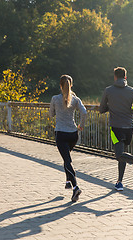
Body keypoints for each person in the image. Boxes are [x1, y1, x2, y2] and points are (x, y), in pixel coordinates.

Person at [99, 67, 133, 191]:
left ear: (115, 77)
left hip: (116, 127)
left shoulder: (108, 91)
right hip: (129, 127)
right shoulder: (132, 91)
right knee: (123, 154)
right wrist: (131, 110)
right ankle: (119, 182)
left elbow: (101, 109)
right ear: (125, 77)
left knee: (119, 155)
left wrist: (111, 106)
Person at [50, 74, 87, 202]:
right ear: (71, 85)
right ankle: (68, 181)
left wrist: (56, 111)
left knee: (67, 161)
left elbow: (51, 114)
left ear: (60, 85)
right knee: (67, 159)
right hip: (73, 134)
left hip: (61, 133)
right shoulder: (76, 99)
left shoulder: (55, 99)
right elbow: (84, 112)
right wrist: (81, 125)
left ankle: (76, 187)